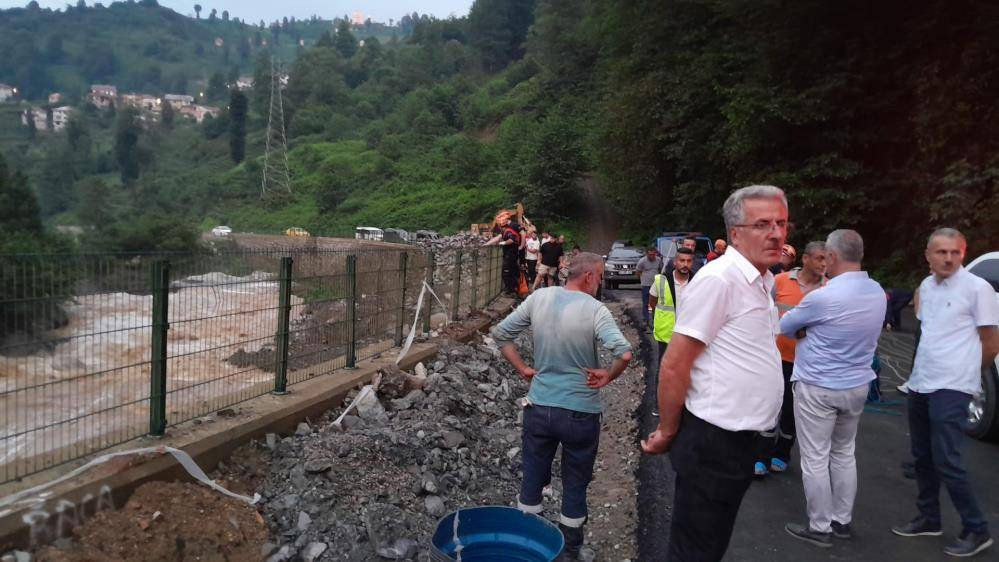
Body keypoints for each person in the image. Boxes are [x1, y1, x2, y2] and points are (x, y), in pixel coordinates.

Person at [641, 185, 787, 561]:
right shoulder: (720, 280)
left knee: (711, 543)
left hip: (739, 442)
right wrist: (667, 431)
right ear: (735, 233)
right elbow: (675, 363)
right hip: (713, 442)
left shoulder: (762, 281)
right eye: (762, 224)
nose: (776, 233)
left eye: (781, 223)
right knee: (695, 550)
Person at [491, 252, 634, 560]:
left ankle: (531, 546)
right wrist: (608, 375)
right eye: (600, 276)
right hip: (580, 412)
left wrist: (522, 368)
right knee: (575, 484)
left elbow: (501, 334)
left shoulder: (539, 298)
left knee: (532, 480)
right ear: (589, 277)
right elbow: (623, 353)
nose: (600, 282)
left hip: (539, 407)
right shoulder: (595, 310)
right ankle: (569, 551)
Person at [891, 228, 999, 558]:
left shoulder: (978, 289)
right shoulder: (926, 286)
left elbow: (991, 343)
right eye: (941, 252)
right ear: (928, 255)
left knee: (948, 460)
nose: (949, 258)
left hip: (953, 387)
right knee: (922, 456)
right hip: (922, 382)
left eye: (955, 252)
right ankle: (929, 518)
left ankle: (977, 528)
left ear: (963, 254)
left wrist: (968, 375)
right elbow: (929, 333)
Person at [778, 230, 886, 548]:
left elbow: (785, 326)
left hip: (818, 386)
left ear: (833, 257)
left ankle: (819, 526)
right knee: (844, 453)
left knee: (815, 457)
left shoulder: (823, 297)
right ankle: (842, 520)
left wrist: (807, 331)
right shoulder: (877, 292)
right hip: (856, 385)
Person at [753, 241, 827, 476]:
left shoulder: (829, 289)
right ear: (805, 259)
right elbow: (763, 312)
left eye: (827, 259)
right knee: (769, 406)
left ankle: (782, 453)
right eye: (820, 258)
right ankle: (761, 456)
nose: (824, 264)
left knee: (792, 411)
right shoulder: (781, 281)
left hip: (806, 363)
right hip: (775, 357)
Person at [649, 247, 695, 360]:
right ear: (675, 262)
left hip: (689, 335)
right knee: (665, 366)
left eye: (689, 261)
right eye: (682, 260)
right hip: (666, 335)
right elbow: (652, 302)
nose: (685, 264)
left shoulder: (697, 281)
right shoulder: (662, 280)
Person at [483, 210, 522, 296]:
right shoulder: (505, 231)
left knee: (506, 273)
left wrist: (503, 243)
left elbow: (511, 240)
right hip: (510, 255)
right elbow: (496, 238)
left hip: (510, 255)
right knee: (511, 272)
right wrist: (487, 244)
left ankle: (511, 291)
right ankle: (514, 289)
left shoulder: (508, 231)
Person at [635, 247, 664, 327]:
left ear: (655, 254)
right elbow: (638, 272)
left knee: (655, 303)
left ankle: (655, 319)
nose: (651, 256)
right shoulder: (642, 261)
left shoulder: (658, 260)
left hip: (656, 284)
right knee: (646, 303)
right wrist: (642, 279)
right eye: (650, 254)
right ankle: (645, 319)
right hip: (646, 285)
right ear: (647, 254)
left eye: (653, 254)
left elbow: (661, 270)